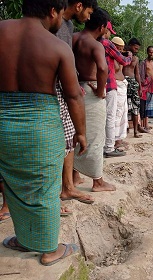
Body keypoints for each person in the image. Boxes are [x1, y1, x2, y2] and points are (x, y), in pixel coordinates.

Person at [0, 0, 86, 265]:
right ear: (52, 11)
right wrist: (81, 133)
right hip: (40, 124)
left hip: (3, 121)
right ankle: (50, 249)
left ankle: (25, 240)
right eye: (61, 13)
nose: (61, 19)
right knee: (47, 186)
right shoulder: (58, 46)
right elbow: (73, 96)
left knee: (13, 184)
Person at [56, 0, 97, 206]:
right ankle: (56, 192)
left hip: (67, 88)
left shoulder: (69, 26)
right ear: (79, 5)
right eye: (89, 12)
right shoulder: (53, 24)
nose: (88, 18)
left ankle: (68, 187)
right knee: (58, 141)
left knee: (69, 139)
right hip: (55, 89)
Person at [73, 8, 116, 192]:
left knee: (74, 135)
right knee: (96, 136)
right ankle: (97, 181)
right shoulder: (95, 44)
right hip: (90, 91)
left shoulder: (73, 38)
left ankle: (74, 176)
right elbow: (102, 68)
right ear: (101, 27)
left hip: (74, 88)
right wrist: (100, 90)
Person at [100, 21, 132, 158]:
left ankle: (111, 143)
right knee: (111, 116)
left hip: (102, 85)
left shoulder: (92, 43)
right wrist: (129, 56)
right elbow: (124, 61)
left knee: (111, 116)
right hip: (110, 84)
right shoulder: (106, 44)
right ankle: (109, 146)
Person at [123, 38, 147, 138]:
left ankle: (136, 131)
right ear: (130, 45)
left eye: (138, 49)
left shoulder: (136, 59)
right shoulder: (122, 54)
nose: (136, 50)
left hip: (133, 83)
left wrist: (140, 87)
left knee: (135, 107)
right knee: (124, 107)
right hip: (123, 81)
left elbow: (137, 74)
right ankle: (125, 130)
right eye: (135, 48)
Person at [111, 36, 130, 149]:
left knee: (122, 113)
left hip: (122, 86)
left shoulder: (119, 58)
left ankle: (119, 139)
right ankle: (113, 141)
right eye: (119, 49)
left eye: (122, 49)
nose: (121, 51)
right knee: (116, 114)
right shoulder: (111, 57)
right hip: (116, 86)